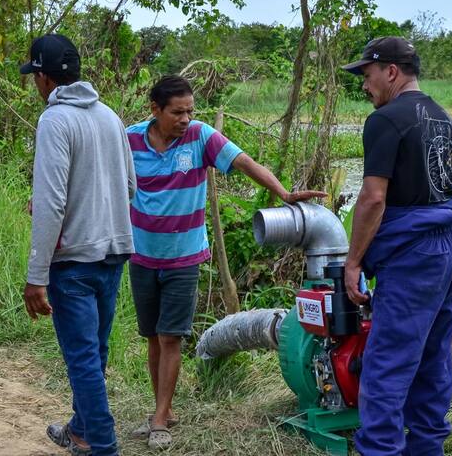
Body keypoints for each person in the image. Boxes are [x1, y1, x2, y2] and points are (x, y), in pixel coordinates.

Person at [125, 75, 326, 449]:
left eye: (190, 111)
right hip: (141, 254)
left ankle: (159, 418)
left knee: (171, 336)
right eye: (176, 112)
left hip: (184, 257)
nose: (185, 119)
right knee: (152, 336)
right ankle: (162, 410)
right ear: (154, 109)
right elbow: (102, 179)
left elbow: (244, 161)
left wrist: (281, 191)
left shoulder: (201, 137)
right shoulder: (130, 139)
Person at [340, 37, 452, 456]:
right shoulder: (443, 117)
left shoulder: (385, 119)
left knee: (387, 365)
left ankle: (380, 449)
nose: (364, 85)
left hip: (416, 256)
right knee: (434, 358)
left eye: (367, 74)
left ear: (391, 71)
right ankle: (428, 447)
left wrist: (353, 261)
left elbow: (374, 197)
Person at [19, 33, 135, 456]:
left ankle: (103, 446)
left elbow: (52, 204)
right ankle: (82, 430)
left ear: (46, 79)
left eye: (35, 76)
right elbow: (129, 187)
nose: (35, 85)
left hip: (74, 263)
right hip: (114, 252)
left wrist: (36, 277)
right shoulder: (110, 117)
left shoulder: (55, 120)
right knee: (95, 352)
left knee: (83, 360)